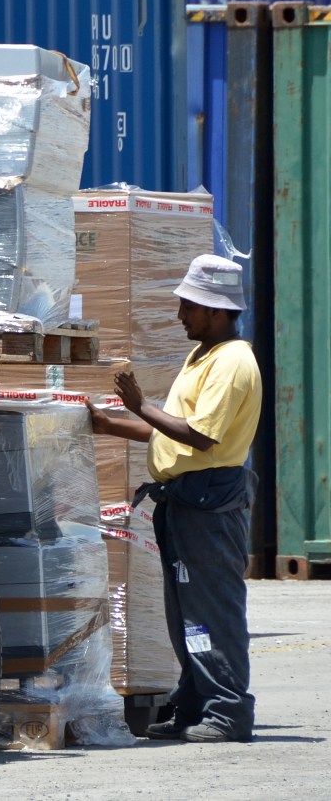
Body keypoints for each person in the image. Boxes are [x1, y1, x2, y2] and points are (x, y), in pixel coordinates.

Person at [87, 254, 260, 744]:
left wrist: (140, 404)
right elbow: (173, 429)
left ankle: (228, 712)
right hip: (185, 500)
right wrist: (111, 424)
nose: (181, 314)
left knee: (212, 608)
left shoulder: (232, 363)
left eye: (189, 306)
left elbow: (200, 437)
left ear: (217, 310)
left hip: (209, 501)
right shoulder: (203, 356)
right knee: (185, 610)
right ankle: (193, 704)